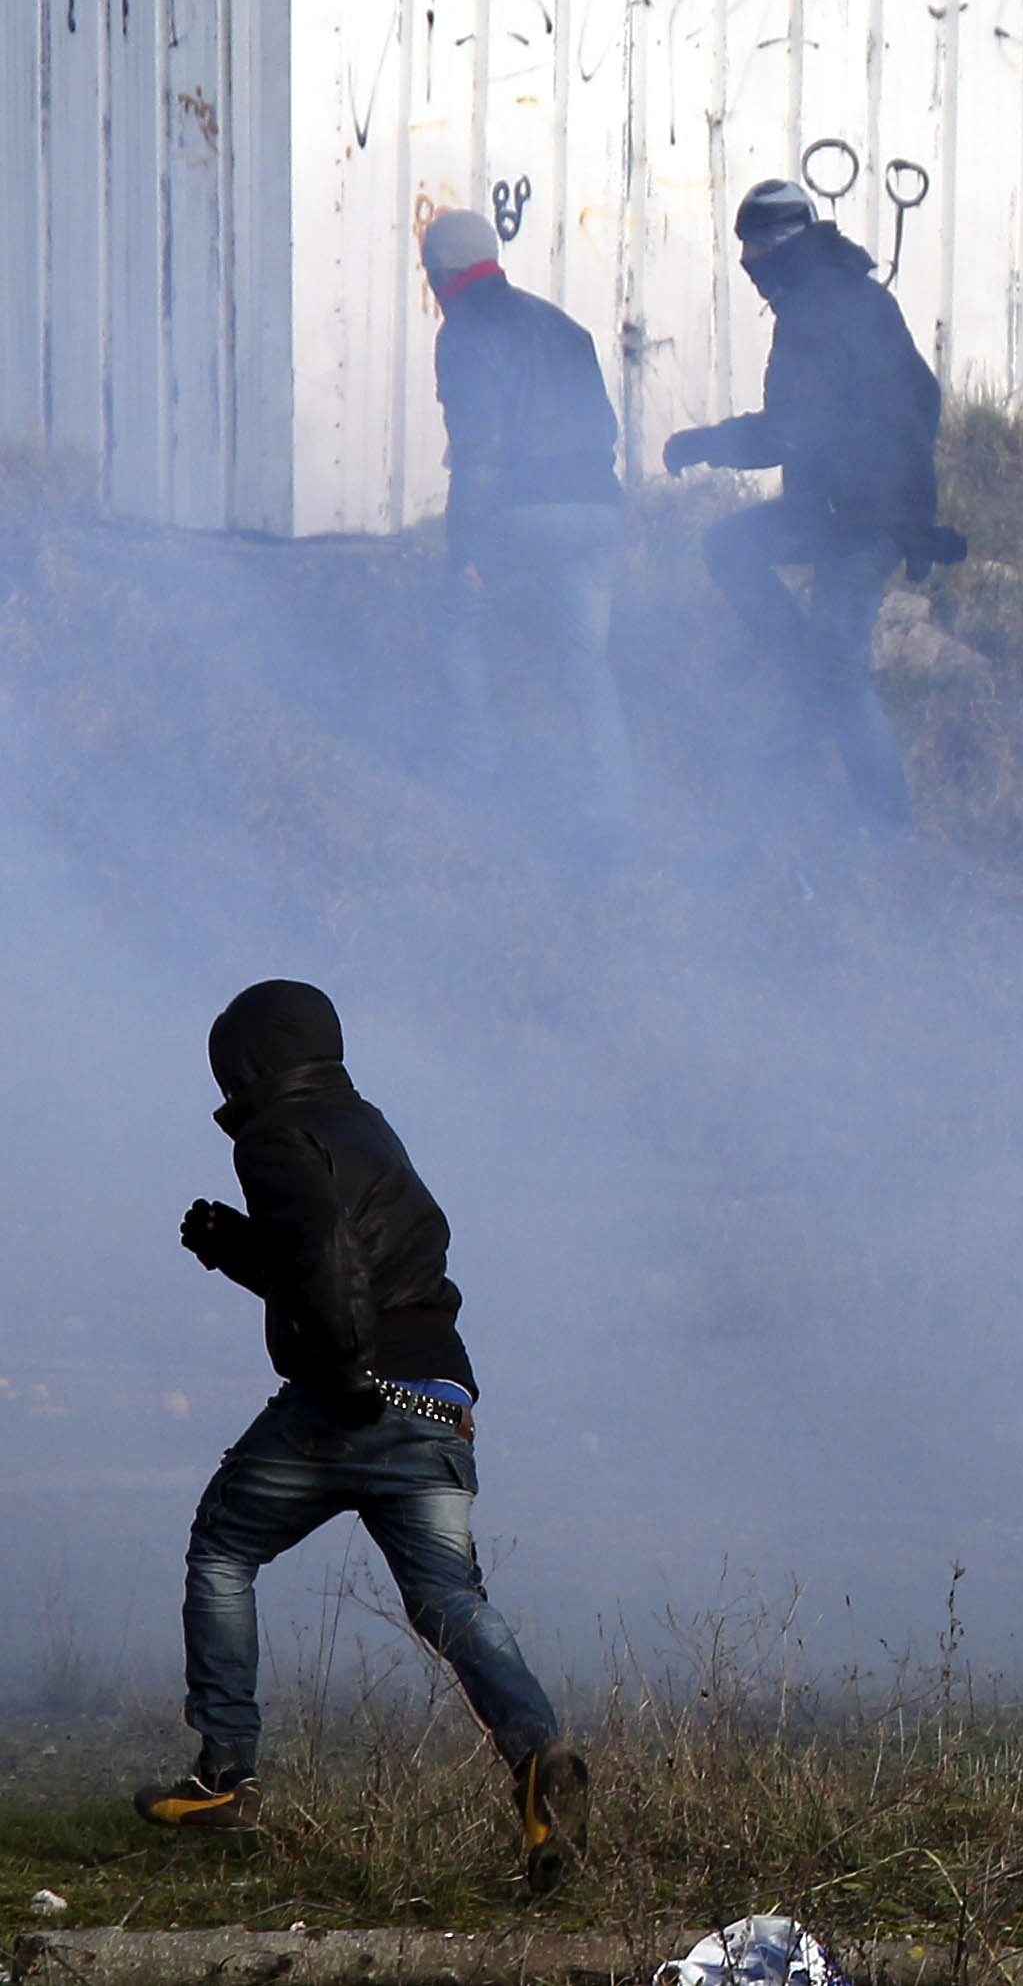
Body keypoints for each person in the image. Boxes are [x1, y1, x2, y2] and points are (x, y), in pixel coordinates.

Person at [140, 981, 591, 1895]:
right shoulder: (368, 1126)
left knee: (223, 1548)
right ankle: (539, 1761)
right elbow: (351, 1260)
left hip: (355, 1394)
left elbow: (331, 1263)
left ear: (247, 1063)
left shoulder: (275, 1135)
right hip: (439, 1397)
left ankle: (224, 1777)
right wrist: (239, 1250)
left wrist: (344, 1376)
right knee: (449, 1600)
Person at [660, 180, 945, 831]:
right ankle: (802, 674)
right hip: (837, 509)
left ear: (784, 244)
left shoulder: (820, 313)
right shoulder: (850, 298)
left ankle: (887, 827)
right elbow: (924, 398)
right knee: (731, 549)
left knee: (839, 670)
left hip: (862, 521)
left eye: (755, 247)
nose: (746, 262)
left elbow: (790, 431)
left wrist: (708, 444)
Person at [420, 207, 631, 832]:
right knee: (587, 660)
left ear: (440, 273)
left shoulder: (464, 334)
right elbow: (606, 428)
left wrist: (466, 552)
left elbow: (479, 453)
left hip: (527, 513)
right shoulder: (562, 325)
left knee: (453, 615)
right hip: (600, 509)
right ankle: (612, 812)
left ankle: (474, 769)